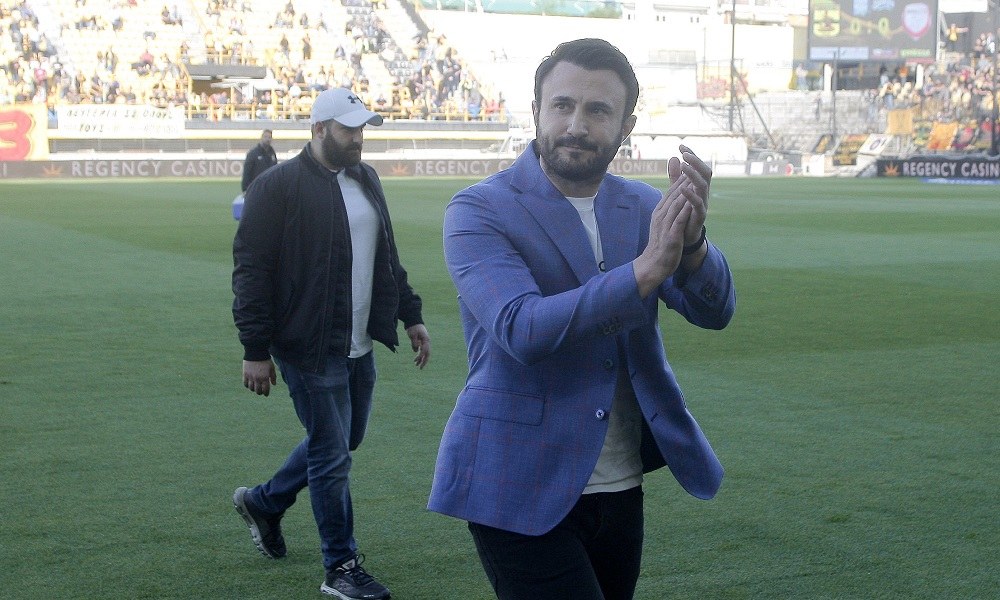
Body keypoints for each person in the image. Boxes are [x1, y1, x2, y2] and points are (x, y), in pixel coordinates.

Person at [427, 38, 736, 600]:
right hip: (515, 480)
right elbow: (522, 329)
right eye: (562, 105)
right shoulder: (478, 209)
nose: (576, 125)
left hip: (620, 481)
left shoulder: (642, 206)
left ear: (626, 126)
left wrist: (693, 246)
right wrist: (642, 273)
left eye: (598, 110)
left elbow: (714, 312)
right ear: (536, 111)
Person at [232, 87, 431, 600]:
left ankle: (264, 502)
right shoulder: (276, 187)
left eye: (362, 128)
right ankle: (340, 566)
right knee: (332, 455)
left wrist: (410, 314)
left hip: (358, 340)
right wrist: (254, 349)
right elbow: (251, 271)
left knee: (344, 441)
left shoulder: (366, 178)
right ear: (319, 129)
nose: (358, 138)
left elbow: (386, 255)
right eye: (348, 129)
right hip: (307, 344)